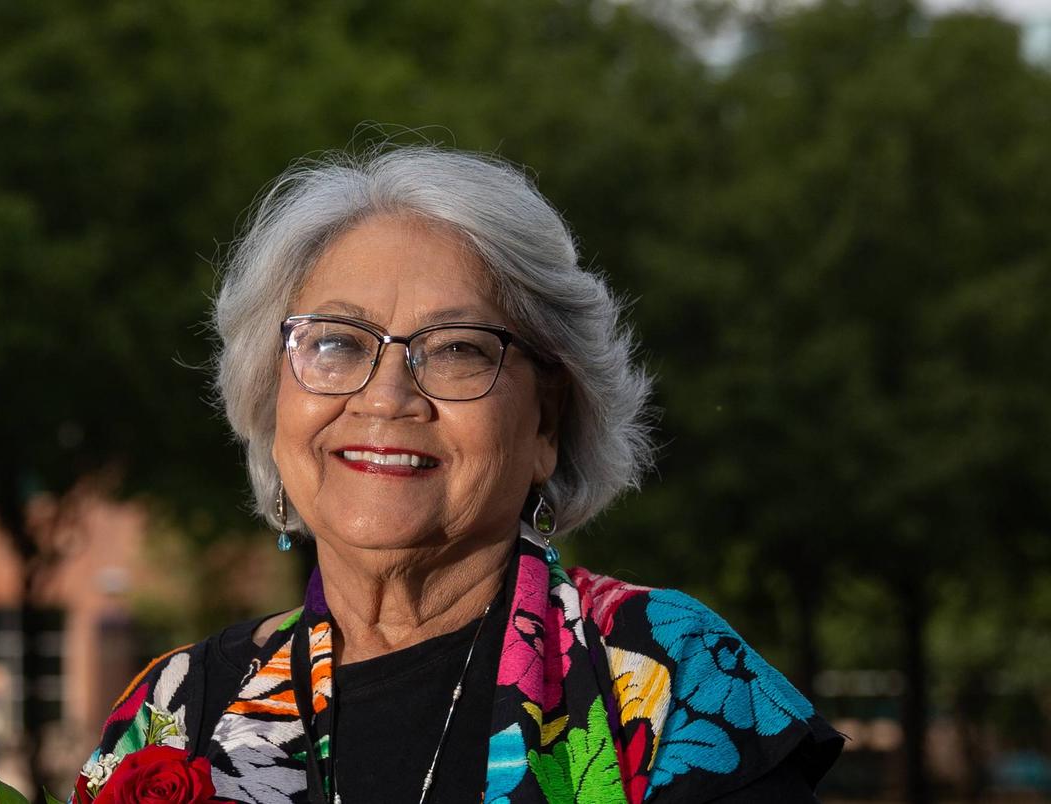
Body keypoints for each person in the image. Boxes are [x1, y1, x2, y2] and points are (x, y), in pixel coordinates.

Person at [70, 146, 842, 804]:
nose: (385, 396)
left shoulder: (668, 678)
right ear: (274, 404)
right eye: (336, 343)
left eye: (457, 349)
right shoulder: (174, 710)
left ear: (545, 422)